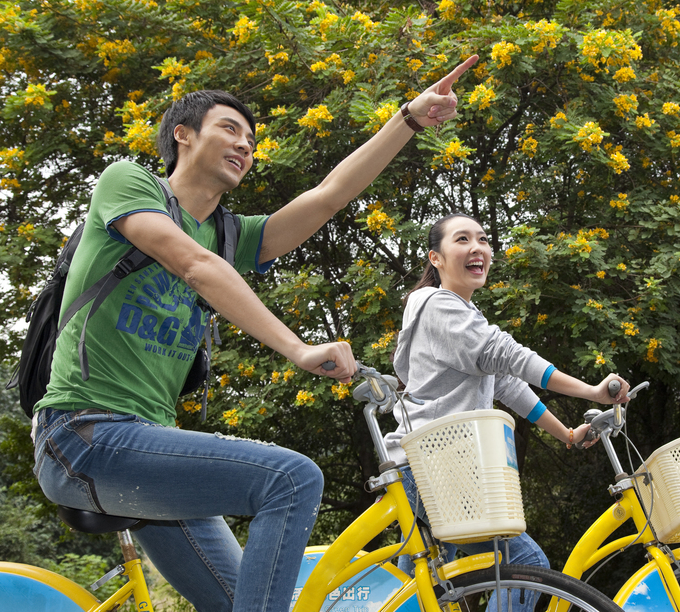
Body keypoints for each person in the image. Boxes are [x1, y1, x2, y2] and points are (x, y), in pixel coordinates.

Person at [31, 54, 478, 612]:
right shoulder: (129, 184)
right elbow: (193, 264)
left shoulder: (229, 235)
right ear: (183, 136)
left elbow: (329, 196)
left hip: (146, 449)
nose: (245, 144)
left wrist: (407, 119)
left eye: (251, 138)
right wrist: (296, 346)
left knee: (246, 602)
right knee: (292, 480)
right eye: (230, 129)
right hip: (83, 434)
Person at [384, 213, 630, 610]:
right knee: (525, 562)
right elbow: (508, 356)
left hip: (426, 468)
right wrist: (591, 391)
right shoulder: (438, 307)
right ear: (436, 258)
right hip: (435, 471)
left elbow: (507, 384)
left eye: (482, 239)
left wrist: (566, 433)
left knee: (424, 591)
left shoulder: (457, 317)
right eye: (461, 239)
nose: (477, 247)